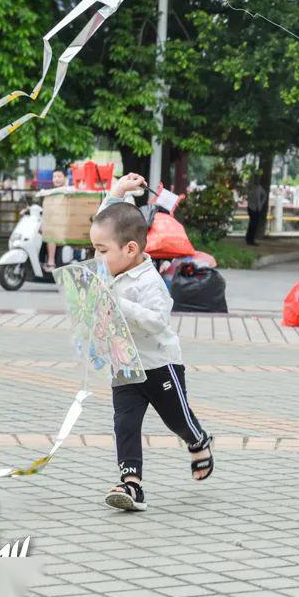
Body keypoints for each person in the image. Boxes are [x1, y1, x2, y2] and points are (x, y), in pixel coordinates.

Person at [93, 173, 214, 512]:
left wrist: (120, 305)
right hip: (125, 365)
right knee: (125, 424)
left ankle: (197, 439)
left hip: (160, 365)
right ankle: (131, 484)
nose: (97, 257)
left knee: (176, 419)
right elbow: (109, 225)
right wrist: (116, 193)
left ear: (130, 249)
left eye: (102, 251)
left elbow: (158, 322)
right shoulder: (110, 269)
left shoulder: (150, 282)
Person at [245, 168, 269, 246]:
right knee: (252, 224)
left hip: (258, 208)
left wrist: (261, 203)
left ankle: (251, 239)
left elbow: (264, 195)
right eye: (257, 179)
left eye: (259, 179)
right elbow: (247, 194)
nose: (258, 180)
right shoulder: (251, 186)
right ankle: (249, 239)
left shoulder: (259, 187)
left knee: (254, 224)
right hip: (251, 207)